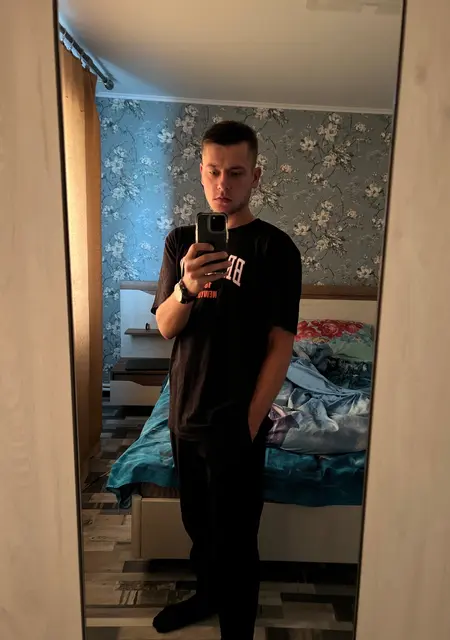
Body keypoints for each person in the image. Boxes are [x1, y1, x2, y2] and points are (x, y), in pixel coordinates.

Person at [151, 120, 302, 639]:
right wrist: (188, 286)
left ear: (255, 176)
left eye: (236, 173)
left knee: (238, 536)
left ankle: (237, 627)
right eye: (214, 171)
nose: (223, 184)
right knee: (198, 525)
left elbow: (281, 345)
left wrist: (250, 422)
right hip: (184, 413)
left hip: (238, 419)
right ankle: (206, 596)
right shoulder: (180, 242)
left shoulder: (276, 250)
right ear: (200, 172)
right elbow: (167, 327)